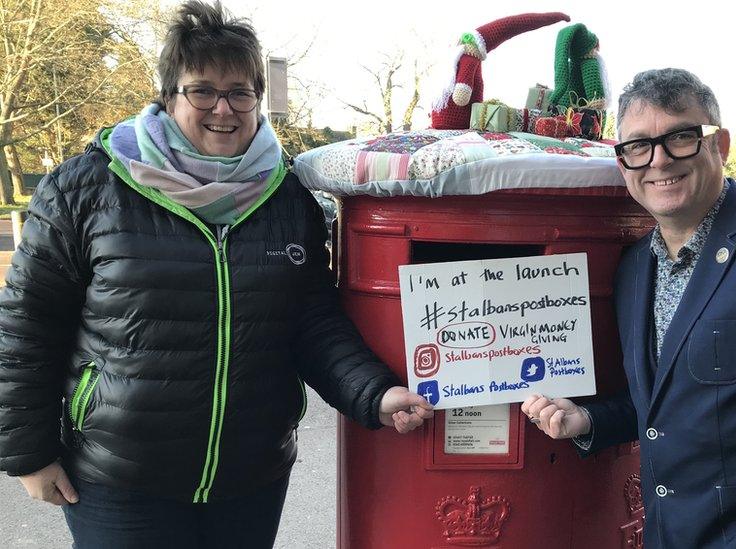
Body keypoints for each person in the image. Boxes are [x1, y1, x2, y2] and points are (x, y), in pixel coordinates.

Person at [0, 2, 432, 547]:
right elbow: (27, 326)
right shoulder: (86, 188)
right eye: (202, 90)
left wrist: (375, 393)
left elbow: (312, 323)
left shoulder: (287, 198)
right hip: (120, 479)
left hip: (250, 478)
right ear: (168, 95)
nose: (223, 109)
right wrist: (28, 454)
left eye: (240, 92)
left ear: (258, 99)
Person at [522, 68, 736, 548]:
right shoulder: (634, 268)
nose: (659, 161)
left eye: (681, 137)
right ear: (623, 162)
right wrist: (588, 420)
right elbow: (665, 402)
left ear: (719, 144)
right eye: (638, 146)